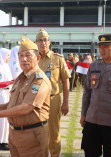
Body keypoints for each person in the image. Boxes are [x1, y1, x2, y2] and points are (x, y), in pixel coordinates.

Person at [0, 36, 52, 157]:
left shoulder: (39, 80)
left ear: (38, 58)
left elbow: (26, 107)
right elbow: (13, 104)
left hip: (32, 134)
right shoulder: (21, 78)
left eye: (28, 55)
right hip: (15, 134)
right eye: (21, 55)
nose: (24, 59)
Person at [35, 29, 71, 157]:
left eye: (45, 40)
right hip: (36, 101)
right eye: (40, 40)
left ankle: (55, 155)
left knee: (54, 133)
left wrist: (66, 103)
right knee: (38, 131)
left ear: (49, 42)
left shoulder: (58, 59)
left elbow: (66, 81)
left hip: (53, 99)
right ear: (36, 43)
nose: (43, 43)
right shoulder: (34, 60)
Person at [0, 48, 12, 150]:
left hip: (6, 93)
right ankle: (1, 141)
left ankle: (5, 140)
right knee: (2, 118)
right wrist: (11, 82)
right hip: (1, 95)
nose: (9, 58)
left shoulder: (5, 67)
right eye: (7, 56)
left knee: (6, 118)